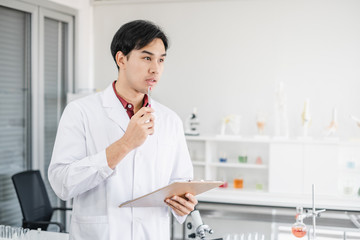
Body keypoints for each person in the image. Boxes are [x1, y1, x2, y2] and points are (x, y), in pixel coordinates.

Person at [48, 20, 197, 240]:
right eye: (147, 58)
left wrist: (184, 203)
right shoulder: (80, 112)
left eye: (161, 60)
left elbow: (182, 182)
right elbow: (62, 184)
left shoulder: (170, 120)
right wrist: (125, 144)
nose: (155, 68)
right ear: (121, 59)